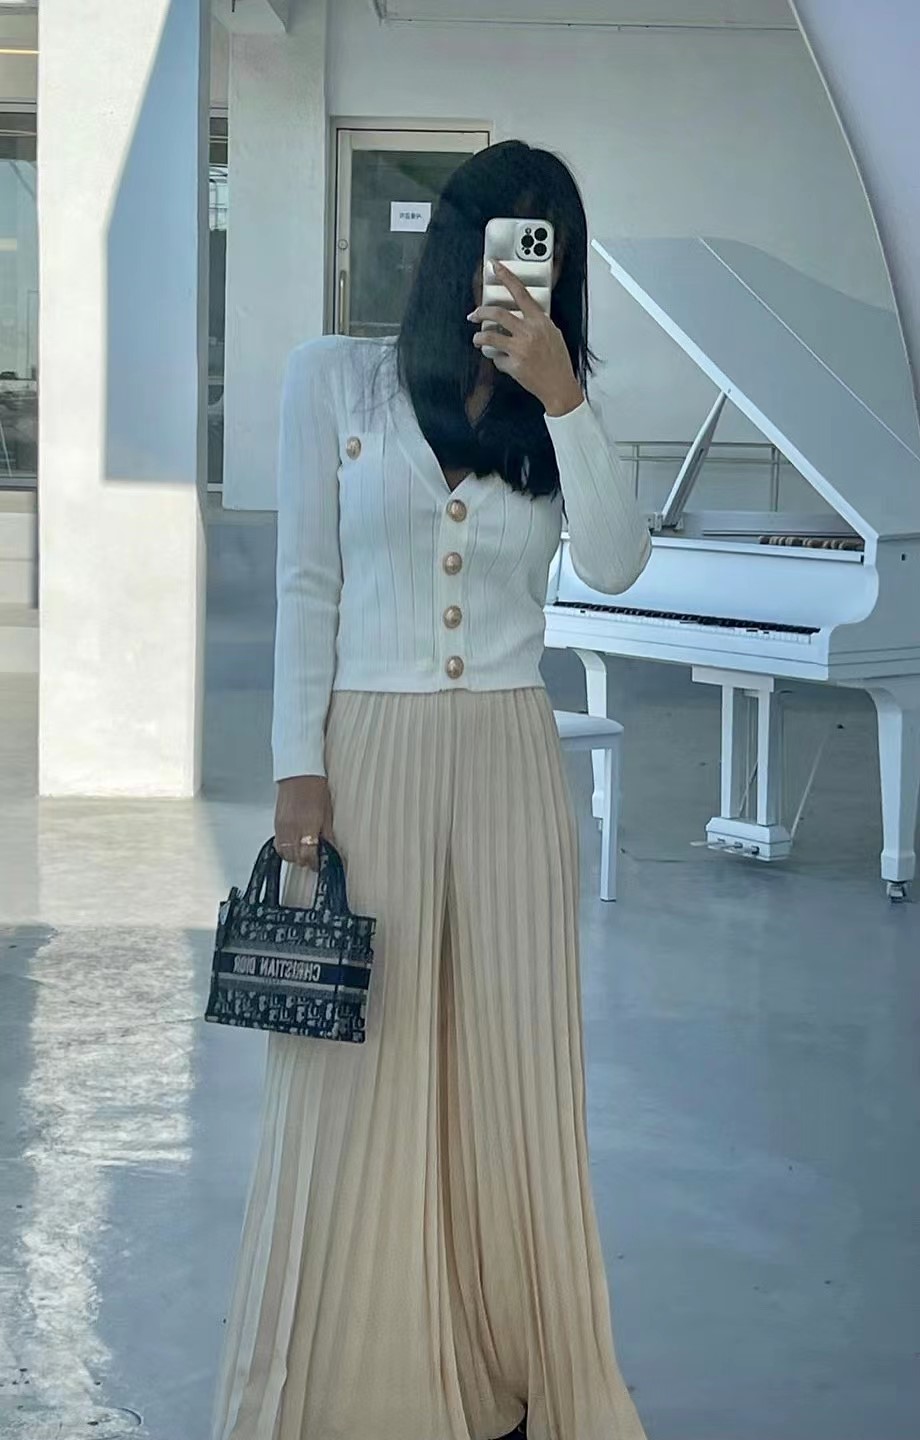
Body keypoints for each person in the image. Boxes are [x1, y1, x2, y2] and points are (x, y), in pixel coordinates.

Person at [212, 139, 652, 1440]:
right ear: (451, 245)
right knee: (365, 1058)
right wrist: (297, 769)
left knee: (507, 1066)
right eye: (499, 236)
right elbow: (307, 583)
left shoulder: (556, 411)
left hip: (509, 761)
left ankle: (503, 1354)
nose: (515, 268)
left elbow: (618, 564)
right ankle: (363, 1374)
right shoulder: (332, 380)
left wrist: (566, 397)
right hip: (370, 758)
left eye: (544, 246)